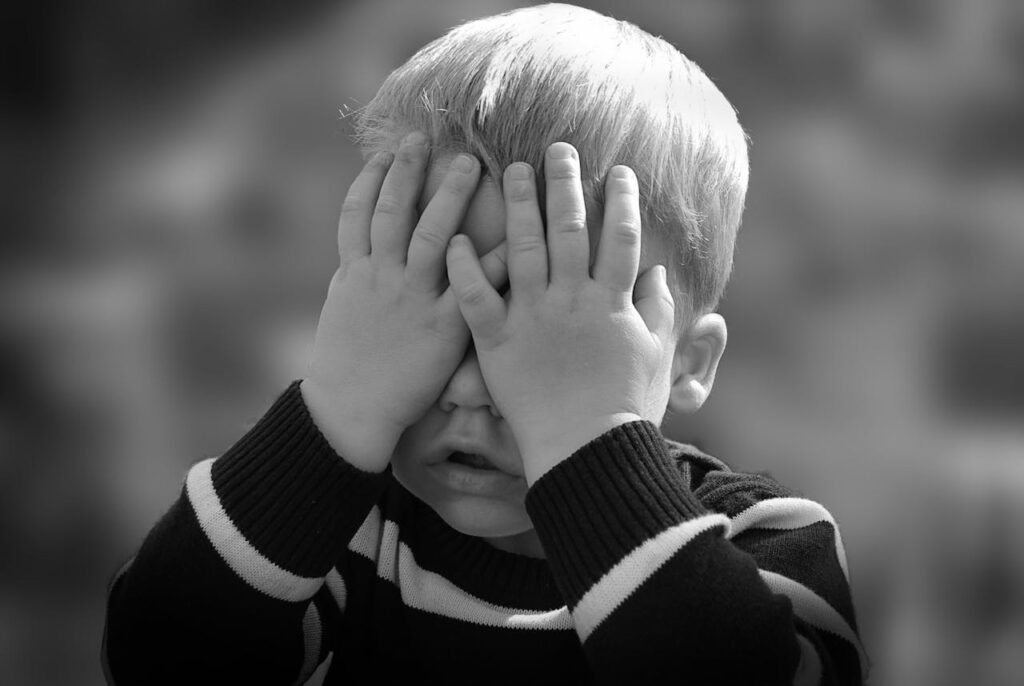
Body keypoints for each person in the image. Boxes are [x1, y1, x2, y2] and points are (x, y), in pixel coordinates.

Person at [102, 4, 866, 683]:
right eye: (433, 313)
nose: (470, 386)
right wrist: (335, 412)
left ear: (689, 362)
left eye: (552, 334)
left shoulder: (762, 538)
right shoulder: (348, 530)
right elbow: (159, 658)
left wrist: (588, 441)